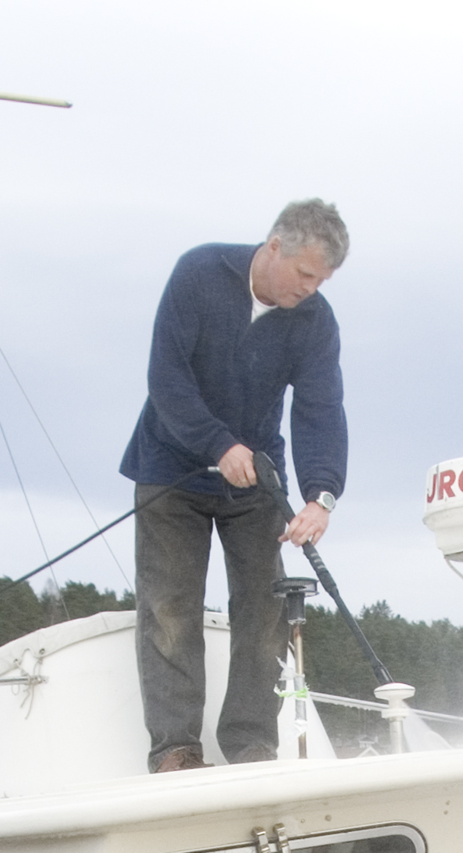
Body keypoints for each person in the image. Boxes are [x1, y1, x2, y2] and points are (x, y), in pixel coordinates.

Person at [121, 199, 349, 773]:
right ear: (274, 247)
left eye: (321, 281)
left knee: (263, 611)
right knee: (170, 609)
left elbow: (320, 409)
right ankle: (175, 749)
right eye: (305, 274)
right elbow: (166, 377)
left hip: (255, 480)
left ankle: (251, 745)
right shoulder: (199, 273)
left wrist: (320, 495)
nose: (311, 289)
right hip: (170, 468)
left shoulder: (315, 322)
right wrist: (218, 444)